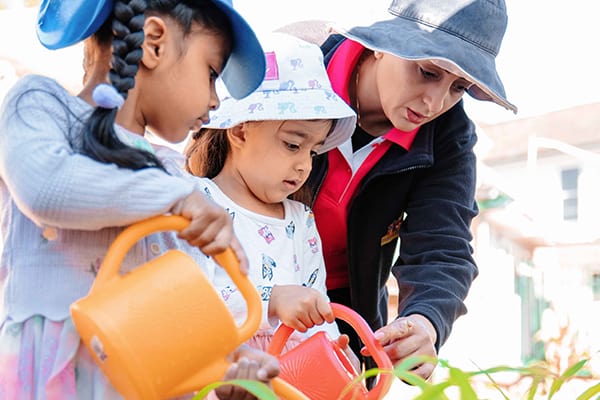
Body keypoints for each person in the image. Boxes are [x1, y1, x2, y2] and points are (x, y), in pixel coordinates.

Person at [0, 1, 279, 399]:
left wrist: (230, 366)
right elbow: (47, 188)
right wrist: (177, 198)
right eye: (212, 73)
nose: (217, 101)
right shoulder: (40, 105)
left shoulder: (173, 175)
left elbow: (182, 308)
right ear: (154, 43)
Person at [296, 0, 518, 380]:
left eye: (459, 87)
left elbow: (443, 246)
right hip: (247, 290)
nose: (434, 103)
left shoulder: (449, 136)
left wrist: (424, 321)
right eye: (428, 71)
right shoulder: (296, 70)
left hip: (348, 322)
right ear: (383, 43)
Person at [185, 32, 360, 365]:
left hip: (290, 376)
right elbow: (187, 300)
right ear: (240, 130)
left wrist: (337, 349)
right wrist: (271, 300)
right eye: (293, 144)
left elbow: (315, 299)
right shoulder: (197, 202)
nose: (304, 164)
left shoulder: (300, 219)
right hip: (221, 373)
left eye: (314, 150)